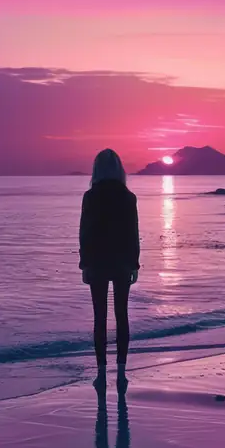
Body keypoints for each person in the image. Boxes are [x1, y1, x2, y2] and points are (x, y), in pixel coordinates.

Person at [79, 148, 140, 392]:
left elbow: (85, 233)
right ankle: (122, 373)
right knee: (122, 316)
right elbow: (133, 234)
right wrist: (135, 263)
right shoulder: (128, 197)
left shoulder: (90, 197)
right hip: (122, 261)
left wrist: (84, 264)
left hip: (98, 262)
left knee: (100, 318)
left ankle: (102, 372)